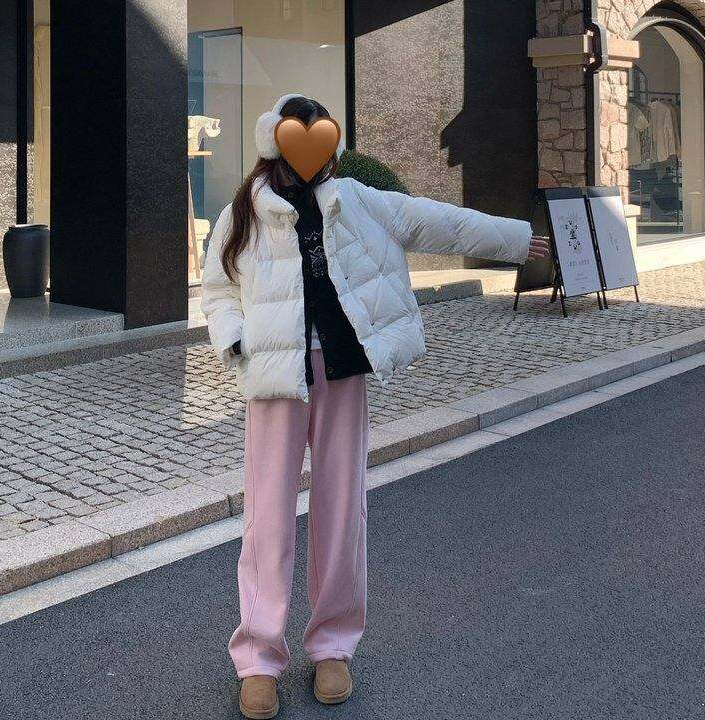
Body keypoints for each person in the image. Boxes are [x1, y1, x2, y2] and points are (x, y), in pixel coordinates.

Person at [201, 93, 550, 719]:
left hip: (343, 370)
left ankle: (332, 645)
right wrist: (235, 341)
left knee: (342, 510)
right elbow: (218, 286)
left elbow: (437, 221)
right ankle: (258, 657)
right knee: (267, 517)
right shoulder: (244, 211)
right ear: (273, 143)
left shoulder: (358, 200)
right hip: (275, 376)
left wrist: (518, 241)